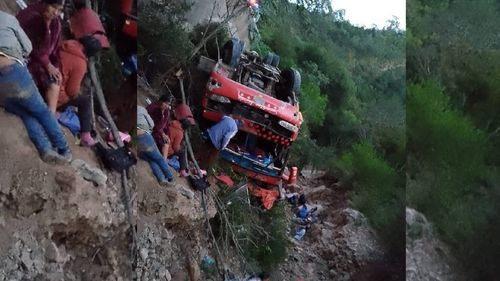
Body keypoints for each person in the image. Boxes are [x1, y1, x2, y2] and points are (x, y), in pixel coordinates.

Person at [0, 11, 71, 164]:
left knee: (26, 113)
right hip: (14, 71)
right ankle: (64, 148)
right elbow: (28, 47)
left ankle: (45, 149)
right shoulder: (7, 18)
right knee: (42, 111)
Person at [16, 0, 64, 114]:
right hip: (22, 56)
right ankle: (50, 115)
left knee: (55, 77)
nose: (56, 13)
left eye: (59, 10)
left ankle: (50, 113)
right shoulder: (32, 16)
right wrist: (47, 64)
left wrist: (55, 66)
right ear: (45, 4)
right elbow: (31, 46)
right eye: (53, 7)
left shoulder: (55, 24)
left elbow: (54, 51)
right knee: (51, 80)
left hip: (39, 61)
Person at [56, 35, 102, 146]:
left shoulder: (65, 44)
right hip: (54, 94)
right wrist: (79, 92)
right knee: (84, 101)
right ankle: (86, 136)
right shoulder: (80, 63)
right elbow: (72, 91)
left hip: (42, 83)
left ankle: (58, 111)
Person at [137, 105, 175, 186]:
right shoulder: (141, 109)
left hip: (136, 143)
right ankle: (170, 177)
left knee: (151, 159)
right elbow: (152, 124)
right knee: (159, 158)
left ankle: (161, 179)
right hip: (145, 137)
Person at [166, 103, 196, 177]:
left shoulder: (172, 123)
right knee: (182, 153)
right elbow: (175, 147)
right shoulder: (180, 133)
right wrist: (180, 148)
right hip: (167, 150)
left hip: (162, 144)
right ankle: (182, 170)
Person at [147, 94, 174, 159]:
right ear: (161, 101)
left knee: (166, 142)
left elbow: (166, 125)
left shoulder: (166, 112)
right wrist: (162, 133)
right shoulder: (153, 108)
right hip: (150, 131)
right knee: (164, 144)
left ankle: (163, 160)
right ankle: (163, 161)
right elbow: (154, 124)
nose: (167, 106)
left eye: (168, 104)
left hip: (158, 133)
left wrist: (166, 135)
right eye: (165, 103)